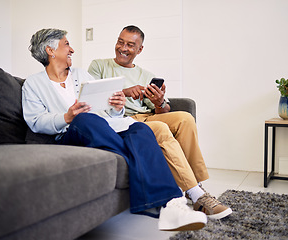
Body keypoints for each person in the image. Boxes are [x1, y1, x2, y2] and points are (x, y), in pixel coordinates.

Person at [22, 28, 208, 232]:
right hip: (69, 134)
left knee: (140, 130)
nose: (72, 49)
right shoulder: (33, 84)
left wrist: (117, 108)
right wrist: (67, 116)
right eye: (66, 44)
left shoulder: (81, 75)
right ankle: (156, 180)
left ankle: (171, 206)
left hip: (104, 128)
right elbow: (35, 121)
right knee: (85, 118)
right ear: (50, 50)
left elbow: (106, 110)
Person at [88, 25, 232, 220]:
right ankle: (198, 194)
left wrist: (159, 101)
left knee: (185, 118)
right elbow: (91, 98)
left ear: (140, 49)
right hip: (123, 120)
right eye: (120, 42)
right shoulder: (98, 66)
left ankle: (195, 187)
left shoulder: (146, 75)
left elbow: (162, 111)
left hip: (148, 115)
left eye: (130, 45)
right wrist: (126, 91)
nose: (123, 48)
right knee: (161, 127)